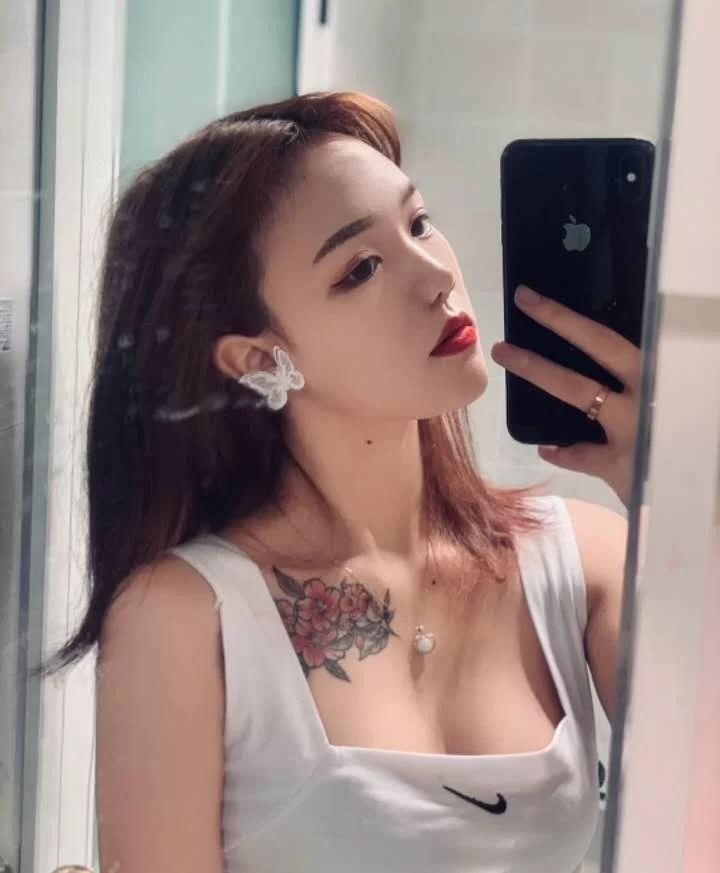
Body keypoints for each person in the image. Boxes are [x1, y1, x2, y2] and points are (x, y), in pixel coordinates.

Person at [52, 91, 639, 873]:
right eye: (361, 267)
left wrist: (669, 487)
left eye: (419, 223)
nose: (436, 274)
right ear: (258, 358)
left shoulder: (584, 561)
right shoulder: (187, 615)